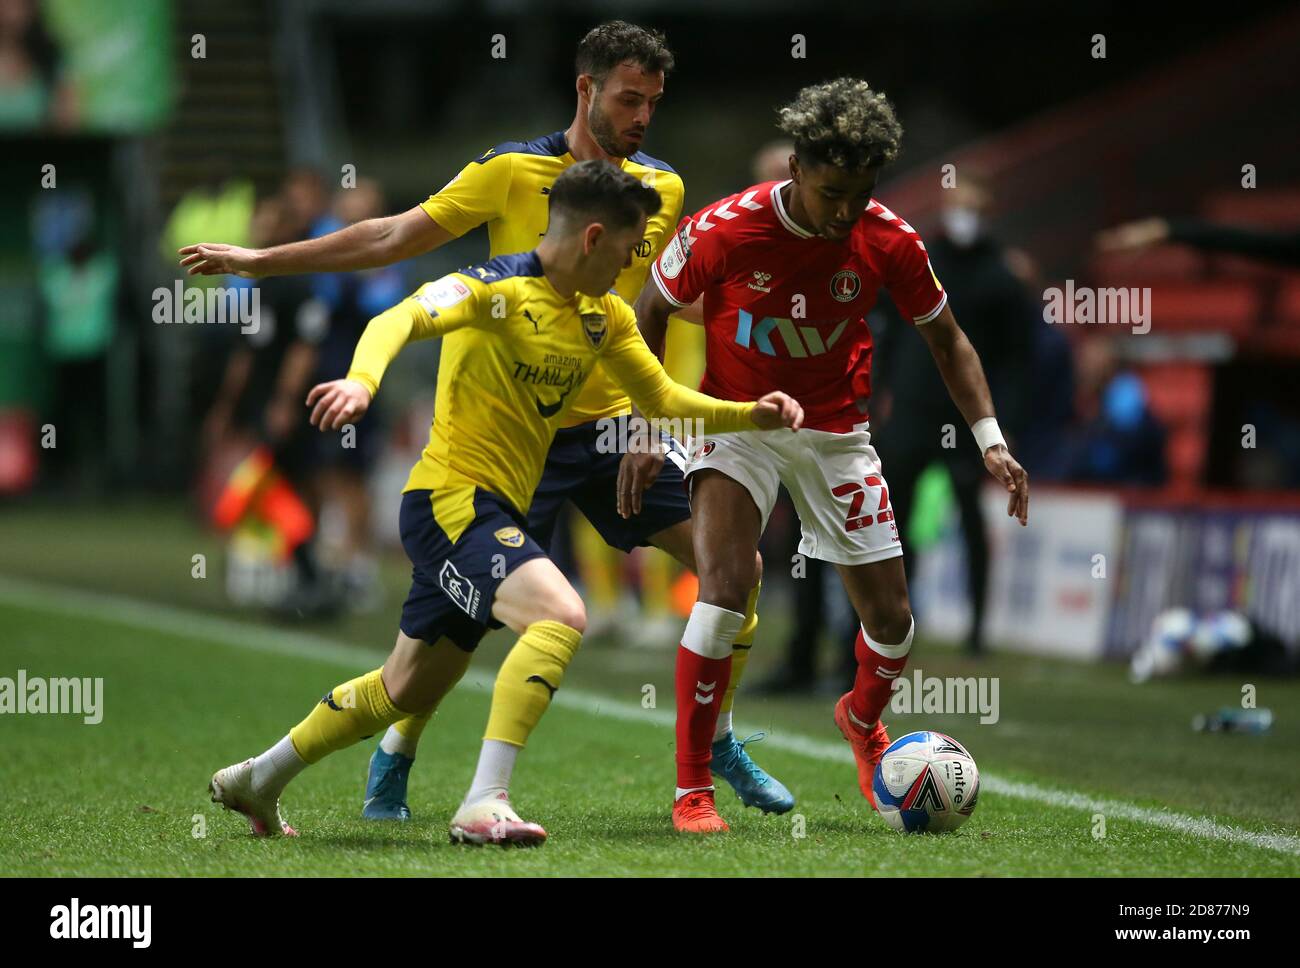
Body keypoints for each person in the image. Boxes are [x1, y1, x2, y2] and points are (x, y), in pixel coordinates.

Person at [182, 21, 794, 822]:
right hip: (507, 442)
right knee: (475, 630)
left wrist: (664, 423)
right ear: (586, 89)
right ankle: (400, 753)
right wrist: (267, 262)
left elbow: (667, 307)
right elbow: (397, 237)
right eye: (628, 98)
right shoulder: (512, 177)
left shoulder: (662, 191)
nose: (643, 116)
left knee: (735, 571)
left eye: (654, 102)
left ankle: (710, 739)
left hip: (609, 429)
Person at [634, 79, 1030, 831]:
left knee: (893, 624)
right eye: (830, 192)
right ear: (794, 168)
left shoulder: (890, 239)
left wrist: (991, 440)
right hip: (737, 419)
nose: (845, 209)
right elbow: (649, 310)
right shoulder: (724, 228)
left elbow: (947, 339)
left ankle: (859, 716)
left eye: (860, 192)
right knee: (722, 587)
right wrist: (648, 425)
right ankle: (693, 787)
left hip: (837, 434)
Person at [873, 178, 1035, 655]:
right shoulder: (918, 258)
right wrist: (878, 393)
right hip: (912, 410)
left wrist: (1006, 426)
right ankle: (898, 619)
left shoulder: (1003, 277)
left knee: (971, 521)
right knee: (893, 523)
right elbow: (886, 331)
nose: (966, 216)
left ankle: (978, 628)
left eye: (975, 207)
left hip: (967, 421)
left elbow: (1018, 359)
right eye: (960, 206)